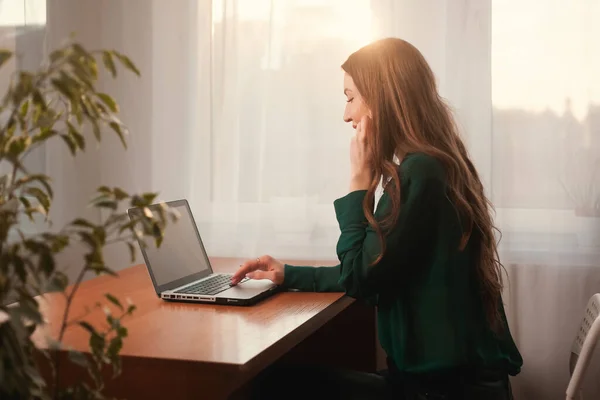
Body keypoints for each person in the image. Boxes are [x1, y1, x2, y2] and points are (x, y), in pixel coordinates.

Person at [231, 37, 523, 400]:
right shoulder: (434, 166)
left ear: (382, 99)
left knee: (264, 386)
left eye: (350, 97)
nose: (346, 115)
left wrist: (358, 185)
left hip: (443, 392)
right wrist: (290, 274)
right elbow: (379, 265)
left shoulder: (421, 174)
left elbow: (360, 277)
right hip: (451, 386)